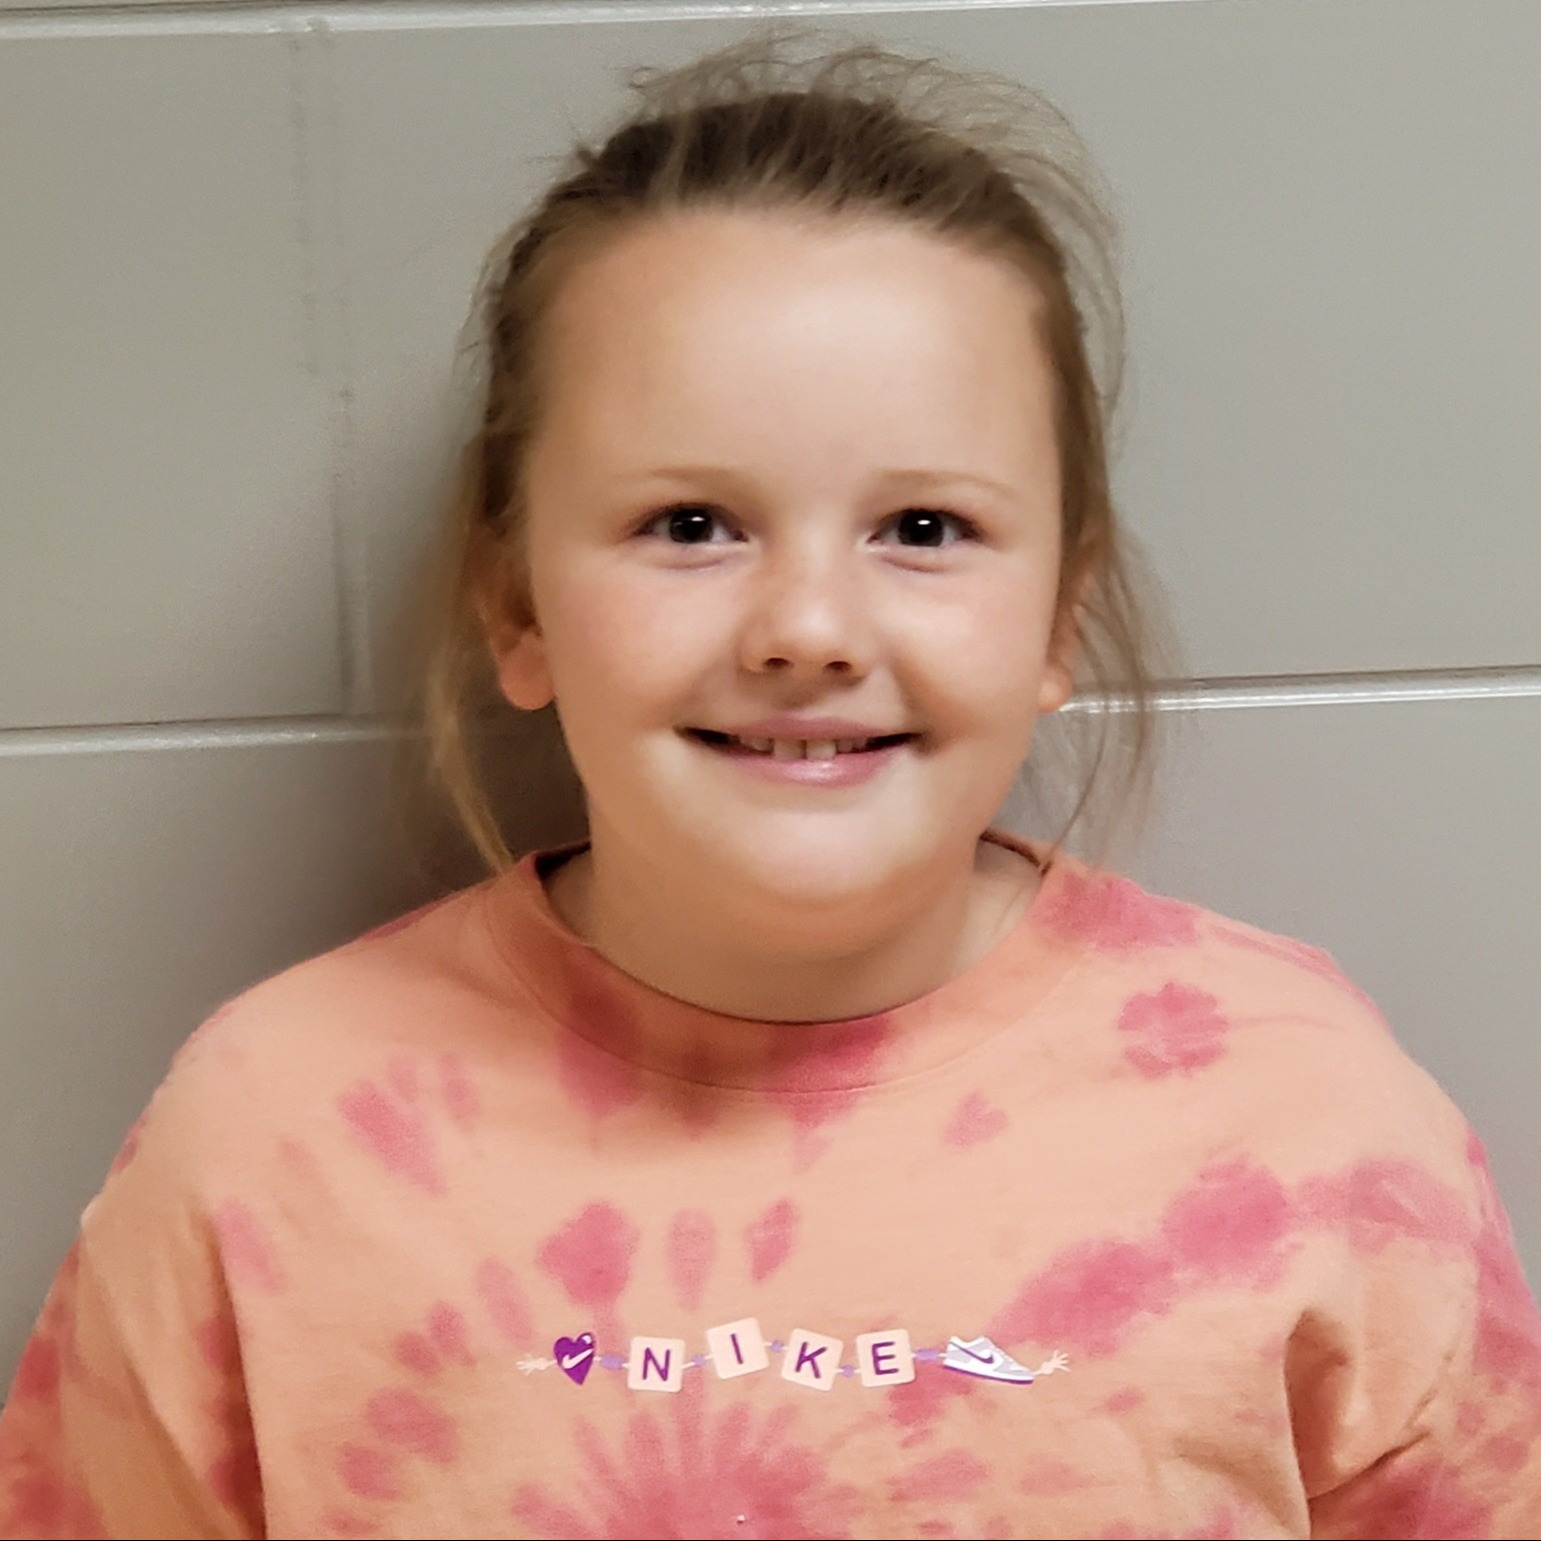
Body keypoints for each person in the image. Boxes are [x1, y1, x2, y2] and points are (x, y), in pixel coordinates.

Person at [2, 26, 1538, 1541]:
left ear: (1059, 615)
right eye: (688, 523)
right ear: (516, 607)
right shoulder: (275, 1135)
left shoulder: (1303, 1118)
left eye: (923, 529)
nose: (807, 628)